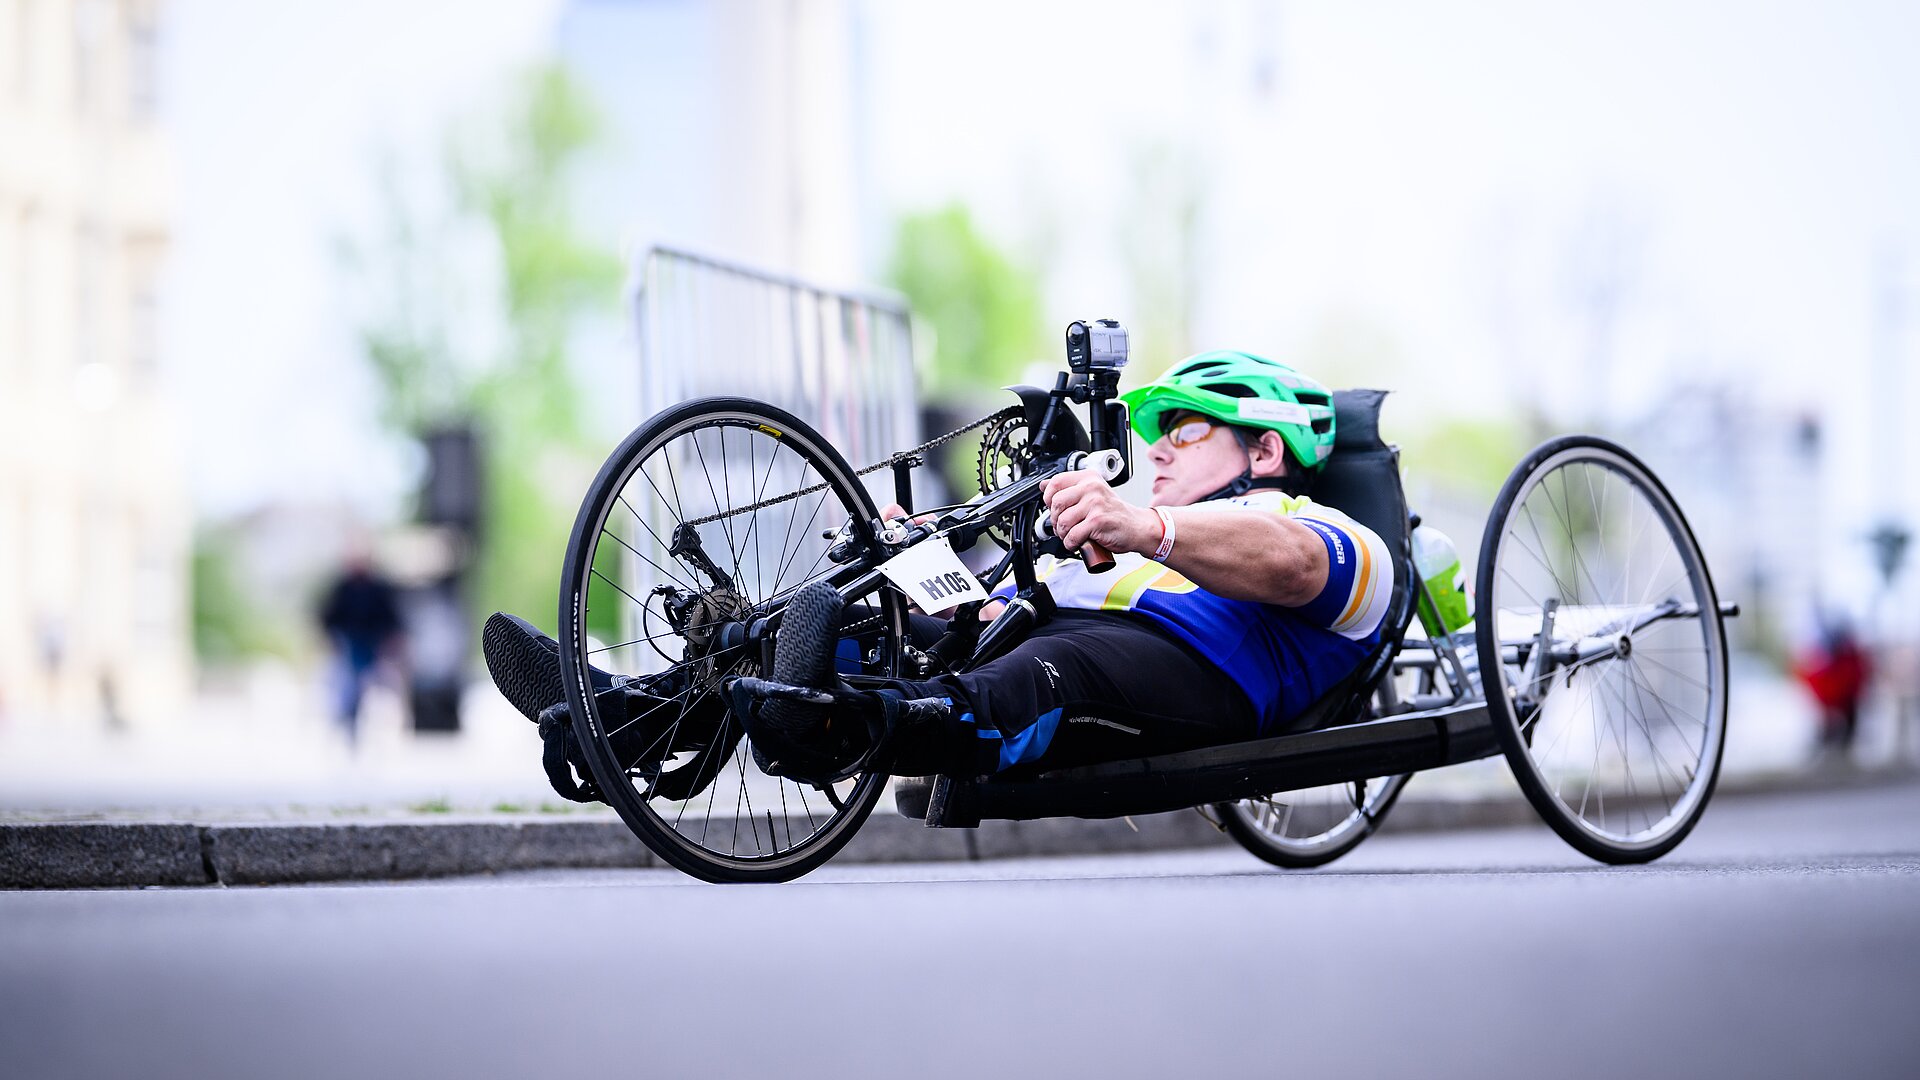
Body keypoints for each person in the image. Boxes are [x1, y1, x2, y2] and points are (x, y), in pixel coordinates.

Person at [483, 351, 1393, 789]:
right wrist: (918, 556)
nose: (1153, 453)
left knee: (1049, 674)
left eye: (1183, 432)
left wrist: (1146, 525)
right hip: (1035, 624)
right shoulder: (1111, 537)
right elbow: (986, 606)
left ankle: (832, 731)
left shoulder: (1317, 529)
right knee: (867, 612)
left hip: (1188, 673)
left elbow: (1291, 565)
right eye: (1150, 437)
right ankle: (641, 711)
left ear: (1267, 451)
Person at [317, 549, 404, 747]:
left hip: (374, 647)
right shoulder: (343, 589)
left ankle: (378, 735)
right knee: (348, 691)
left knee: (377, 695)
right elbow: (328, 617)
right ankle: (351, 730)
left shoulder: (377, 589)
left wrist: (390, 642)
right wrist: (333, 640)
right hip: (349, 646)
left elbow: (391, 618)